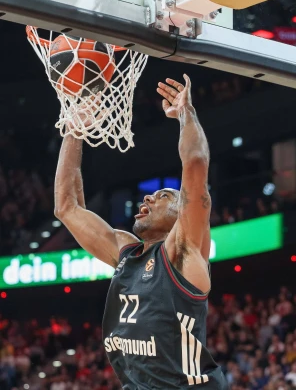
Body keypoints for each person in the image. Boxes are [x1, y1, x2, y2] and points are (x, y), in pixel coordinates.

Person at [54, 75, 229, 389]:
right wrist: (73, 129)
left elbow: (195, 161)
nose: (148, 197)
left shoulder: (183, 251)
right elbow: (66, 207)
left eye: (164, 196)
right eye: (151, 194)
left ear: (183, 212)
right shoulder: (127, 252)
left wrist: (186, 113)